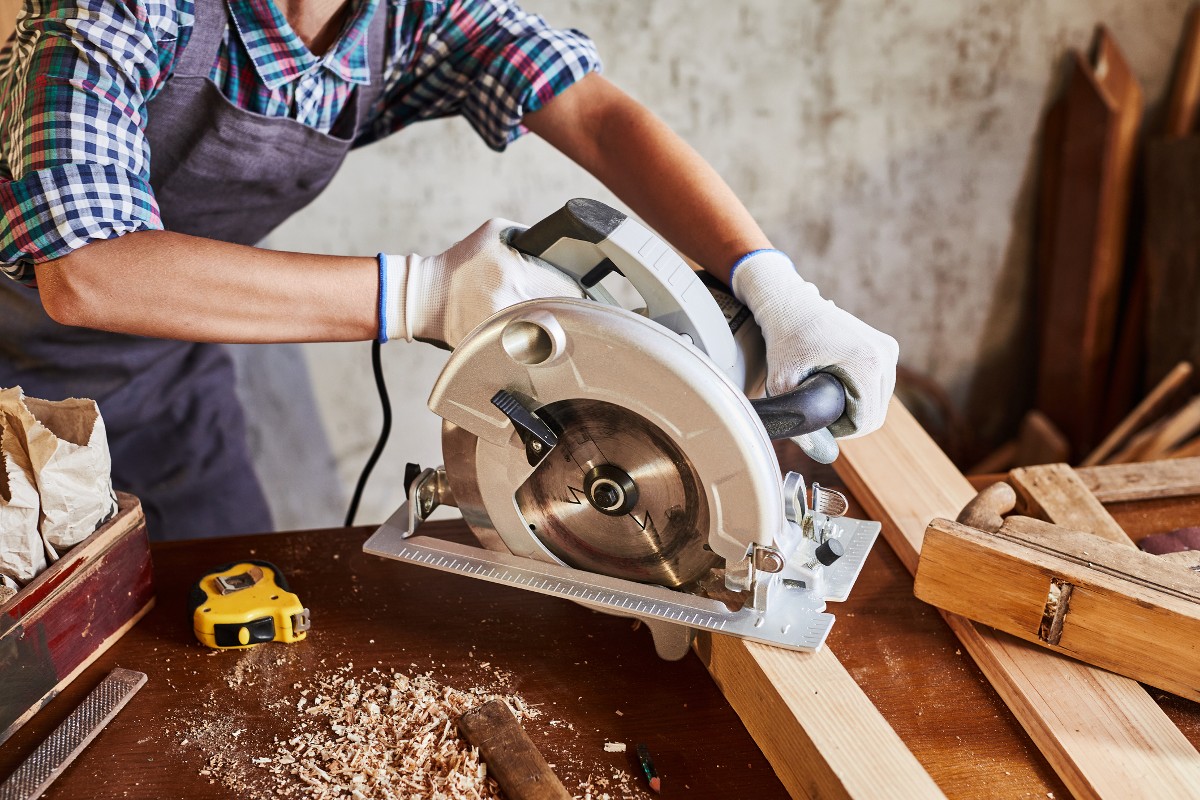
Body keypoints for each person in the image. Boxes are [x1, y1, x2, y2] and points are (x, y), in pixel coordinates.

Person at [0, 0, 898, 540]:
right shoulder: (115, 7)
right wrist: (424, 296)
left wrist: (772, 286)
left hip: (165, 368)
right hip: (11, 377)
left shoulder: (397, 14)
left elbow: (588, 110)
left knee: (224, 603)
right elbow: (87, 271)